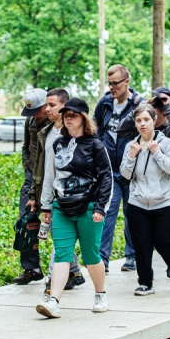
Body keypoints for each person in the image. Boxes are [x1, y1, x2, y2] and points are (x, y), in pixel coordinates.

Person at [36, 98, 113, 318]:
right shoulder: (57, 143)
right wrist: (46, 205)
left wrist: (101, 207)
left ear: (84, 118)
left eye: (74, 114)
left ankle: (100, 294)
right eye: (66, 114)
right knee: (62, 254)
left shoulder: (95, 145)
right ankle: (54, 301)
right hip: (61, 207)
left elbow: (107, 177)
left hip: (89, 207)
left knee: (90, 257)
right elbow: (51, 174)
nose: (69, 118)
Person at [120, 103, 170, 295]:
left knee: (163, 241)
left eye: (146, 120)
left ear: (154, 120)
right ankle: (145, 282)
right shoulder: (130, 146)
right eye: (139, 120)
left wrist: (157, 153)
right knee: (141, 243)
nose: (143, 124)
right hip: (138, 202)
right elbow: (125, 174)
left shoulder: (166, 144)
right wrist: (132, 156)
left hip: (165, 202)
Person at [26, 89, 84, 293]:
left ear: (65, 106)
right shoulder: (46, 132)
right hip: (50, 192)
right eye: (47, 105)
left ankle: (53, 280)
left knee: (61, 239)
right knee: (58, 237)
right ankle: (74, 272)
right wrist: (35, 196)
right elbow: (41, 168)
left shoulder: (73, 134)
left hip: (72, 196)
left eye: (52, 105)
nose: (47, 109)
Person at [94, 64, 143, 272]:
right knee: (107, 213)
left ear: (126, 82)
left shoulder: (138, 104)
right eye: (109, 83)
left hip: (131, 171)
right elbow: (96, 129)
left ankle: (131, 256)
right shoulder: (104, 103)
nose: (112, 87)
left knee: (131, 214)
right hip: (109, 171)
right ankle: (102, 259)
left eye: (115, 83)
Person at [12, 88, 50, 285]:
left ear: (46, 105)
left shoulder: (56, 121)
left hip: (52, 179)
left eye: (37, 111)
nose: (35, 115)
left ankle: (69, 270)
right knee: (26, 222)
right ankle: (31, 268)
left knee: (58, 225)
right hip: (31, 179)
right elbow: (26, 148)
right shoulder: (30, 121)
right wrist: (28, 168)